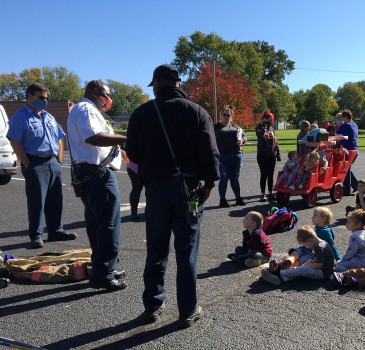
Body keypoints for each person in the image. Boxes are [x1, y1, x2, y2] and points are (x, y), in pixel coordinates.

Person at [126, 64, 220, 328]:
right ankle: (188, 309)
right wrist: (209, 185)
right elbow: (210, 152)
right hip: (189, 188)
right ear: (177, 84)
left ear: (157, 83)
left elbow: (132, 153)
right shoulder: (197, 112)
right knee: (186, 250)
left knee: (156, 249)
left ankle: (153, 305)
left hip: (156, 189)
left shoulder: (143, 113)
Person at [67, 80, 127, 290]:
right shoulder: (85, 109)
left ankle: (103, 266)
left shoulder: (85, 109)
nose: (108, 99)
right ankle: (103, 274)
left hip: (90, 173)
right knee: (108, 224)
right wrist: (123, 139)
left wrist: (118, 150)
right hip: (97, 174)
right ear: (95, 92)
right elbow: (93, 137)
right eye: (106, 94)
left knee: (97, 223)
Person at [7, 82, 77, 249]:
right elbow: (14, 141)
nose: (45, 101)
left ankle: (55, 231)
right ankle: (36, 235)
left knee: (55, 199)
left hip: (53, 162)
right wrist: (27, 163)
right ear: (30, 96)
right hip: (35, 162)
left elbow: (60, 139)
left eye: (46, 98)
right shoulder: (21, 116)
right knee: (37, 200)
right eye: (41, 98)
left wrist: (58, 160)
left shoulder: (49, 117)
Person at [260, 226, 335, 286]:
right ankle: (283, 278)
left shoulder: (319, 247)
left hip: (323, 273)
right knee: (299, 270)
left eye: (305, 245)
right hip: (320, 269)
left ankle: (277, 274)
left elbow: (318, 265)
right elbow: (313, 259)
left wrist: (303, 267)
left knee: (303, 270)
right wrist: (302, 266)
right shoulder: (318, 243)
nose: (306, 247)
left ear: (309, 241)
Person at [214, 106, 247, 207]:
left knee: (234, 178)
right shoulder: (215, 127)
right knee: (224, 178)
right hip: (222, 157)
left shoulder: (236, 127)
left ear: (231, 116)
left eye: (228, 115)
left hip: (236, 155)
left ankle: (238, 198)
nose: (226, 117)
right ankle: (222, 200)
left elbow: (244, 136)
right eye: (224, 114)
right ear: (220, 115)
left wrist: (242, 140)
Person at [255, 111, 280, 202]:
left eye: (271, 119)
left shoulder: (272, 129)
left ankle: (270, 193)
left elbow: (276, 142)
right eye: (268, 118)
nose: (270, 120)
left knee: (271, 175)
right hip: (262, 155)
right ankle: (262, 194)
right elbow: (261, 135)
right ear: (264, 118)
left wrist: (278, 153)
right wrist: (263, 124)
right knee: (264, 174)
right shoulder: (259, 128)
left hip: (271, 155)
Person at [336, 109, 359, 195]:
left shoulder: (345, 125)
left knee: (345, 169)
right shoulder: (354, 125)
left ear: (345, 117)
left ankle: (347, 190)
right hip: (355, 150)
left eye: (342, 118)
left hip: (347, 150)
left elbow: (336, 135)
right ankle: (355, 184)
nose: (342, 120)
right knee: (347, 168)